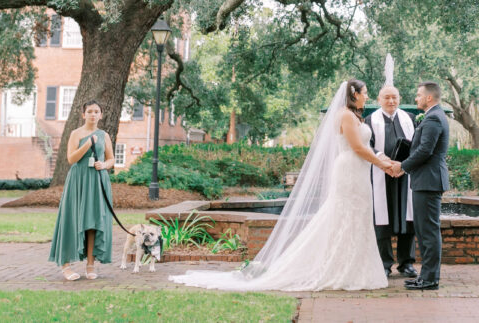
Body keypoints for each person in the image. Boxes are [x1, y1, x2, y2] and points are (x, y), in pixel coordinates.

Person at [170, 79, 395, 291]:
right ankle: (340, 270)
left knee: (357, 218)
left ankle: (356, 269)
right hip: (349, 171)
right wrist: (383, 166)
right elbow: (357, 147)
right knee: (344, 218)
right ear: (354, 94)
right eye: (365, 93)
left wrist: (383, 161)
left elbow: (367, 147)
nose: (367, 97)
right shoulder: (345, 115)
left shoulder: (355, 117)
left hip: (360, 171)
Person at [388, 81, 450, 291]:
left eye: (418, 95)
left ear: (429, 98)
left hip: (429, 182)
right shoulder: (433, 116)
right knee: (423, 231)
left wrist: (402, 166)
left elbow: (425, 150)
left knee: (429, 232)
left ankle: (430, 278)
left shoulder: (433, 118)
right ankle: (425, 276)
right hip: (425, 180)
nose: (416, 98)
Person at [48, 100, 116, 281]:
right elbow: (71, 158)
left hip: (97, 180)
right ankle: (65, 265)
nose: (93, 114)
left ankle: (91, 264)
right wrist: (87, 145)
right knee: (72, 219)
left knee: (93, 222)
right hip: (78, 181)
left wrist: (104, 165)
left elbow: (111, 159)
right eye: (90, 111)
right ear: (83, 114)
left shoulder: (104, 135)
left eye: (96, 111)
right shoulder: (76, 134)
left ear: (101, 115)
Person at [366, 83, 417, 278]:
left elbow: (418, 145)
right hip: (381, 174)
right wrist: (382, 159)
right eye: (386, 97)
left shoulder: (410, 119)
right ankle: (385, 263)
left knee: (408, 216)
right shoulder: (370, 121)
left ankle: (406, 263)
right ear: (379, 100)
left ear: (399, 99)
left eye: (394, 97)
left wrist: (403, 166)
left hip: (405, 175)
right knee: (381, 218)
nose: (391, 101)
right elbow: (366, 146)